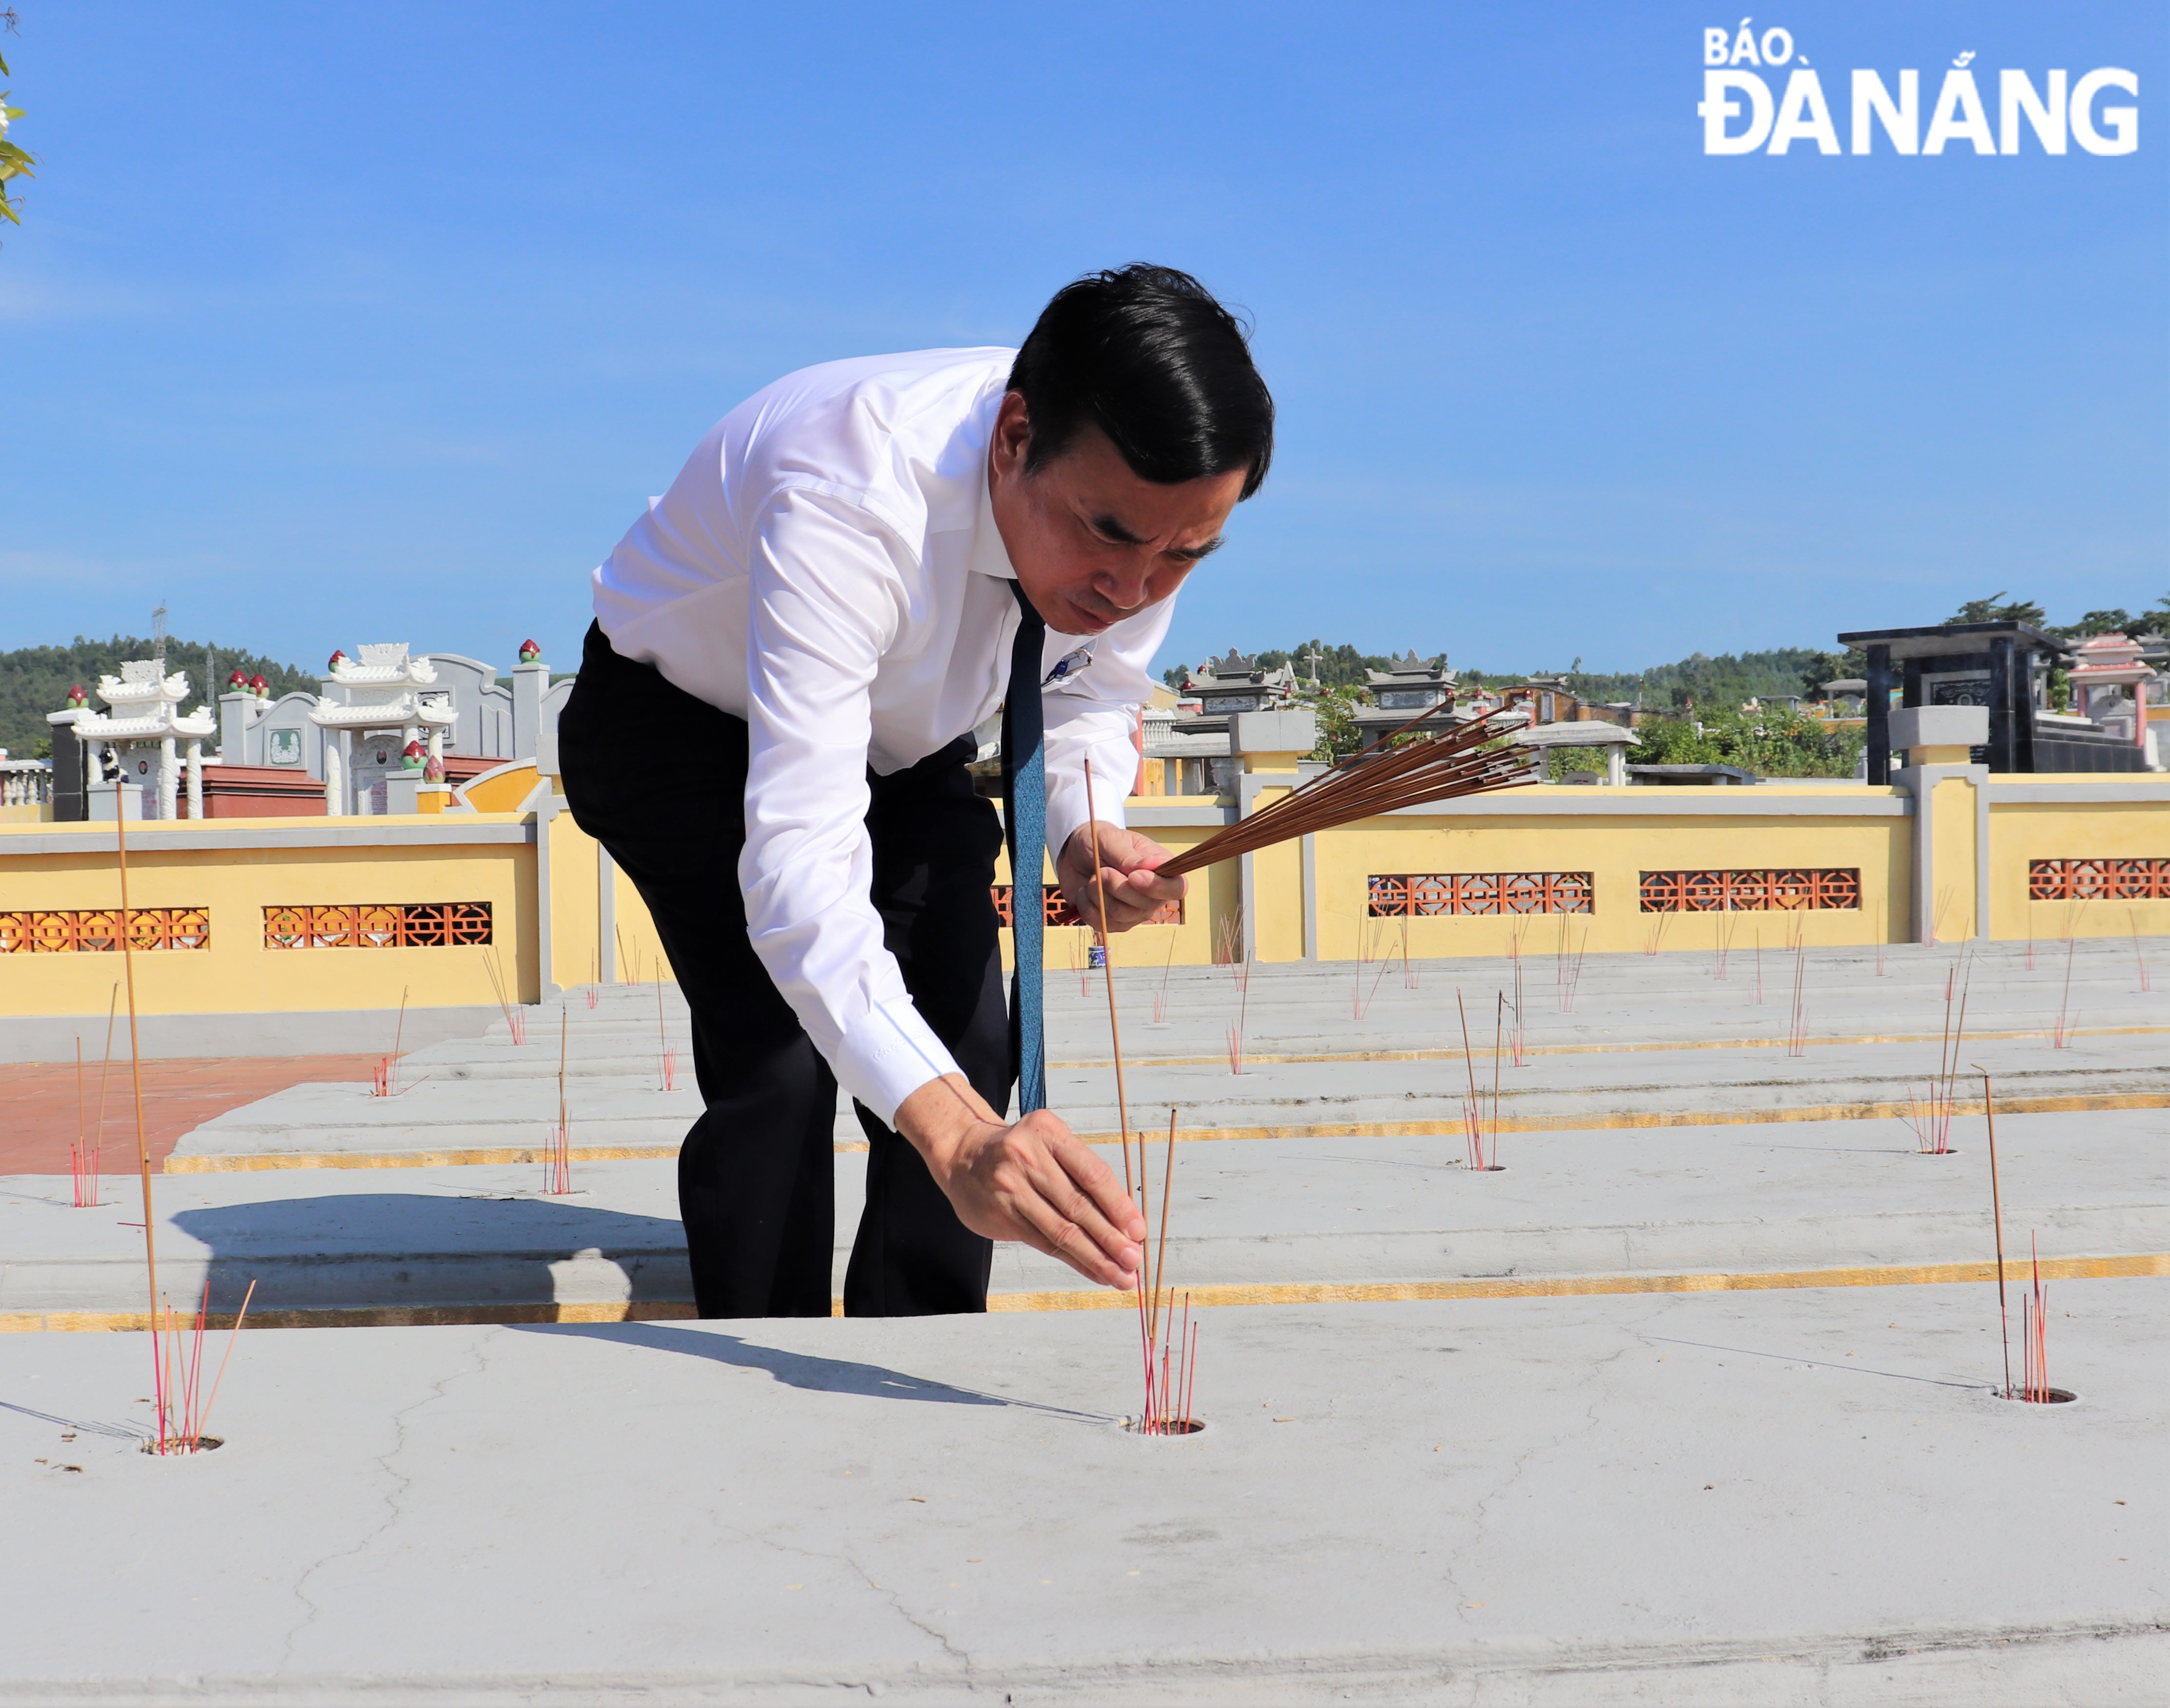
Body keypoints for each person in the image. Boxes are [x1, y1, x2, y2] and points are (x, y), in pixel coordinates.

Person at [557, 264, 1274, 1318]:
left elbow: (1089, 689)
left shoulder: (1139, 514)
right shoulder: (850, 494)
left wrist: (1085, 830)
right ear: (1014, 438)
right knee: (780, 1059)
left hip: (901, 739)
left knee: (965, 1038)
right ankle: (769, 1359)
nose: (1132, 589)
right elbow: (800, 870)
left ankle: (926, 1341)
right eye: (1108, 537)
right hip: (679, 726)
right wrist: (956, 1136)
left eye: (1185, 557)